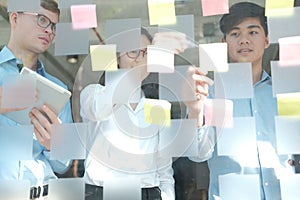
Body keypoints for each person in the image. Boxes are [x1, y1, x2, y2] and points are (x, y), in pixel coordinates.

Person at [189, 2, 296, 200]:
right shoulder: (213, 95)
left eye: (253, 32)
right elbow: (199, 154)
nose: (244, 40)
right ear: (224, 42)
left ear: (266, 40)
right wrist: (195, 112)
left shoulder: (283, 94)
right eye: (235, 34)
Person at [80, 27, 196, 200]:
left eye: (146, 53)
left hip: (148, 193)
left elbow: (163, 169)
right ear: (117, 57)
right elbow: (99, 108)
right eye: (133, 52)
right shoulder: (94, 93)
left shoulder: (157, 107)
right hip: (101, 193)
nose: (140, 59)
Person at [0, 0, 73, 199]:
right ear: (15, 17)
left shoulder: (58, 89)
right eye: (42, 20)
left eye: (53, 25)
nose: (49, 30)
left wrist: (54, 144)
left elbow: (64, 164)